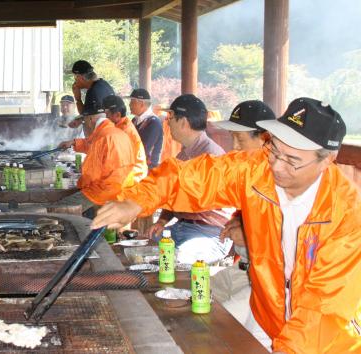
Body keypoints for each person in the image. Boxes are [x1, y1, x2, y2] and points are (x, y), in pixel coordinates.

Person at [92, 97, 361, 353]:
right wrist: (136, 201)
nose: (277, 166)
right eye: (274, 150)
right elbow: (191, 177)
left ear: (327, 160)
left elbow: (324, 306)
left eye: (292, 161)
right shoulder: (256, 170)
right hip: (270, 314)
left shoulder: (347, 215)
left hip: (327, 341)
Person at [207, 99, 276, 347]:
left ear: (265, 138)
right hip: (244, 271)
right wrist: (238, 225)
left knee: (215, 326)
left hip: (271, 286)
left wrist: (249, 237)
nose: (234, 148)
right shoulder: (250, 172)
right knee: (195, 294)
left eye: (240, 140)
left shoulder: (281, 177)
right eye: (232, 138)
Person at [145, 94, 232, 263]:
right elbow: (172, 193)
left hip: (211, 233)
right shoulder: (184, 154)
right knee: (144, 247)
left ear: (183, 122)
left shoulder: (211, 156)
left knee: (178, 257)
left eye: (171, 117)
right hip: (184, 226)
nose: (167, 122)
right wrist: (162, 221)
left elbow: (191, 199)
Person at [56, 102, 135, 214]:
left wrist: (76, 183)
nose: (84, 125)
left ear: (90, 119)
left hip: (105, 190)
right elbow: (91, 144)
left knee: (61, 208)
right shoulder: (116, 133)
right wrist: (74, 143)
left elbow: (90, 175)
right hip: (124, 187)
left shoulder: (101, 137)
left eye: (84, 121)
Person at [101, 95, 147, 185]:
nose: (105, 118)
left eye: (107, 114)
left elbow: (117, 163)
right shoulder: (118, 125)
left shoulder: (124, 131)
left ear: (117, 115)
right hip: (125, 174)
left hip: (132, 177)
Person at [67, 60, 114, 137]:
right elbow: (89, 113)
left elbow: (89, 118)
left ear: (79, 77)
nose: (75, 81)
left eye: (75, 77)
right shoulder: (104, 85)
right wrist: (80, 119)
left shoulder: (93, 92)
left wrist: (78, 98)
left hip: (100, 141)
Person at [126, 88, 163, 168]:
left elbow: (144, 149)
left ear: (142, 104)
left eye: (132, 102)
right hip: (136, 165)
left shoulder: (154, 122)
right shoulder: (135, 120)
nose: (129, 105)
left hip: (148, 169)